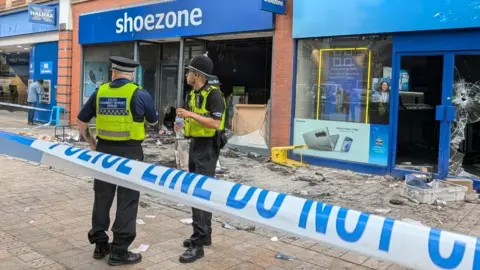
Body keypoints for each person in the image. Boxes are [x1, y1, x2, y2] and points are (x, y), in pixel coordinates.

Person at [77, 56, 158, 266]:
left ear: (113, 73)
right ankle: (119, 251)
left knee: (102, 197)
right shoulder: (140, 94)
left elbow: (81, 120)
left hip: (103, 152)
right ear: (132, 74)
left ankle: (100, 244)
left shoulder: (100, 91)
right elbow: (154, 120)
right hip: (130, 153)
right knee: (128, 200)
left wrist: (92, 143)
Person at [176, 54, 226, 264]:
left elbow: (216, 124)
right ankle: (203, 235)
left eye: (189, 71)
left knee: (200, 193)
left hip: (207, 148)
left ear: (197, 75)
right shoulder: (193, 94)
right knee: (195, 191)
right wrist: (180, 123)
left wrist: (190, 116)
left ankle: (198, 243)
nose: (186, 75)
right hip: (195, 144)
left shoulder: (214, 95)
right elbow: (189, 118)